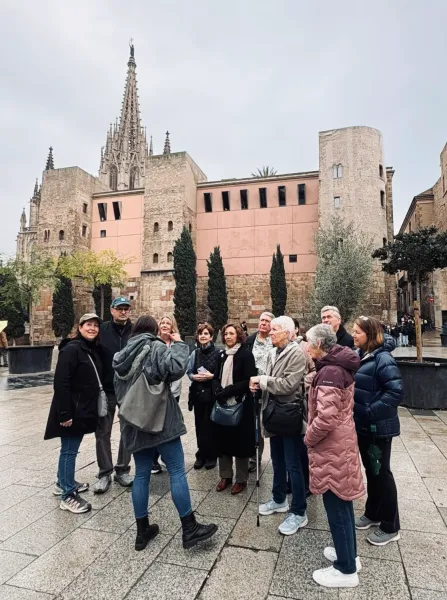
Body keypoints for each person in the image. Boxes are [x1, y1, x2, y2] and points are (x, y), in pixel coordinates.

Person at [113, 315, 218, 551]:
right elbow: (176, 369)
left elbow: (119, 393)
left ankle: (142, 532)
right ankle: (189, 528)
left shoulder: (120, 356)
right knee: (177, 470)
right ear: (151, 331)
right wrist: (180, 344)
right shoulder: (156, 346)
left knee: (141, 474)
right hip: (161, 421)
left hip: (133, 423)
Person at [305, 324, 364, 589]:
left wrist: (308, 438)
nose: (306, 347)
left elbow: (326, 418)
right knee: (343, 502)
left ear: (318, 344)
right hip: (341, 443)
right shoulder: (336, 365)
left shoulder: (329, 372)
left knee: (337, 505)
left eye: (308, 342)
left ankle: (345, 570)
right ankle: (348, 553)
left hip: (332, 447)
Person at [250, 316, 308, 536]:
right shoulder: (274, 352)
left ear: (287, 332)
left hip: (289, 415)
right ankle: (278, 499)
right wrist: (257, 385)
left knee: (293, 464)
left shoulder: (296, 353)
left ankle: (299, 511)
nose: (270, 332)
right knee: (277, 460)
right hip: (274, 414)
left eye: (275, 329)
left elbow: (288, 385)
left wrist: (262, 381)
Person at [44, 314, 104, 514]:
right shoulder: (71, 350)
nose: (93, 328)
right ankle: (67, 495)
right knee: (69, 451)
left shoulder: (88, 349)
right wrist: (64, 413)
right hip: (71, 411)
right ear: (80, 327)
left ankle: (63, 483)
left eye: (96, 325)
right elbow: (61, 383)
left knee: (69, 450)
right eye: (89, 325)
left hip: (81, 409)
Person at [352, 316, 403, 546]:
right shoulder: (364, 355)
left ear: (370, 335)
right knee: (371, 471)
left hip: (378, 426)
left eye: (357, 332)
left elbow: (395, 393)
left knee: (382, 474)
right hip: (364, 425)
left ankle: (391, 526)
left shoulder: (383, 359)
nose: (353, 335)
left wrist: (370, 411)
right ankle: (373, 512)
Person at [94, 296, 133, 494]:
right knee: (102, 432)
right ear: (111, 310)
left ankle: (123, 469)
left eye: (126, 308)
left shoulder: (135, 332)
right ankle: (104, 472)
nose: (123, 311)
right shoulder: (102, 331)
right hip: (106, 390)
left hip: (128, 390)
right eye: (120, 308)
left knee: (128, 431)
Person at [214, 323, 257, 494]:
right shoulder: (222, 355)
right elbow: (216, 375)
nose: (228, 337)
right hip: (223, 403)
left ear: (238, 335)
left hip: (241, 403)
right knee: (222, 440)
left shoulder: (246, 355)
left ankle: (241, 479)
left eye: (232, 333)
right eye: (226, 334)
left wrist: (229, 391)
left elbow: (249, 380)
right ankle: (225, 475)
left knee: (240, 443)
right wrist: (218, 390)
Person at [152, 314, 183, 474]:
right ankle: (153, 459)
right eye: (162, 322)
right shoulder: (153, 342)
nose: (164, 325)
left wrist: (179, 342)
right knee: (155, 424)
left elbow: (181, 364)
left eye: (168, 323)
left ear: (172, 327)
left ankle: (165, 456)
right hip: (155, 392)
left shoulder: (176, 343)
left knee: (168, 424)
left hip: (173, 391)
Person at [186, 322, 220, 470]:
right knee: (199, 425)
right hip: (198, 393)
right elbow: (189, 371)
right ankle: (201, 455)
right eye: (201, 334)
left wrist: (211, 376)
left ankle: (212, 455)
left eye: (206, 333)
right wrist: (194, 377)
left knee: (211, 425)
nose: (203, 336)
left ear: (211, 336)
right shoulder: (195, 353)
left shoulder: (218, 353)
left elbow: (220, 374)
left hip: (212, 394)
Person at [245, 311, 274, 472]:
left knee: (266, 423)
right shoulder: (250, 340)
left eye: (267, 321)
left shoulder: (275, 341)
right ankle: (254, 458)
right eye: (261, 320)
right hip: (253, 387)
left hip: (270, 387)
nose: (263, 323)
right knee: (253, 423)